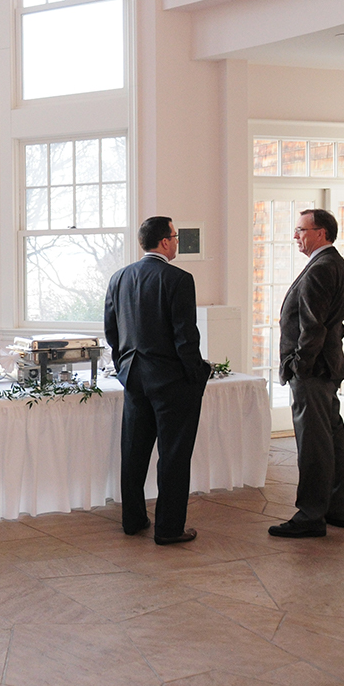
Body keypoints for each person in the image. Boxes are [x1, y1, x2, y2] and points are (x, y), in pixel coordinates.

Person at [104, 217, 212, 545]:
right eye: (175, 237)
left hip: (134, 376)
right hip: (171, 381)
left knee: (133, 452)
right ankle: (169, 528)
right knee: (174, 455)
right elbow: (185, 336)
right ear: (165, 242)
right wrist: (197, 373)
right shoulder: (178, 279)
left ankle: (133, 520)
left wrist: (124, 366)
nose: (177, 242)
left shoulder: (119, 277)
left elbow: (112, 331)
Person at [269, 208, 344, 538]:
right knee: (331, 439)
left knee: (314, 445)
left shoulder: (321, 268)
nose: (295, 236)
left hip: (314, 371)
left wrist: (299, 367)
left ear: (321, 233)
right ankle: (336, 509)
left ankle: (310, 516)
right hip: (326, 367)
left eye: (301, 230)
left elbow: (313, 327)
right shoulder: (335, 263)